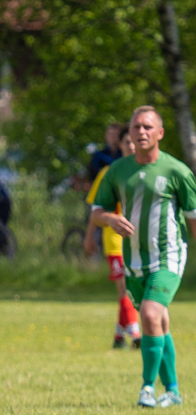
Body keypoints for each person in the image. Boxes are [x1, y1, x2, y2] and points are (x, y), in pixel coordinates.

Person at [91, 106, 196, 409]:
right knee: (157, 323)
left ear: (160, 133)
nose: (141, 132)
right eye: (136, 126)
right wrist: (110, 220)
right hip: (134, 261)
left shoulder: (177, 172)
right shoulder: (118, 170)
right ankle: (173, 391)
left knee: (149, 315)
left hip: (170, 257)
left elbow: (192, 219)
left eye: (148, 127)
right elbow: (97, 212)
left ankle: (147, 388)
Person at [83, 127, 141, 349]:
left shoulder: (144, 173)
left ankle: (119, 336)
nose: (132, 146)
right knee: (124, 288)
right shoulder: (108, 172)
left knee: (131, 288)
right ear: (121, 145)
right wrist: (89, 238)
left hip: (137, 241)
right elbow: (96, 209)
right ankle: (135, 335)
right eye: (127, 142)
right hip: (114, 241)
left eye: (135, 142)